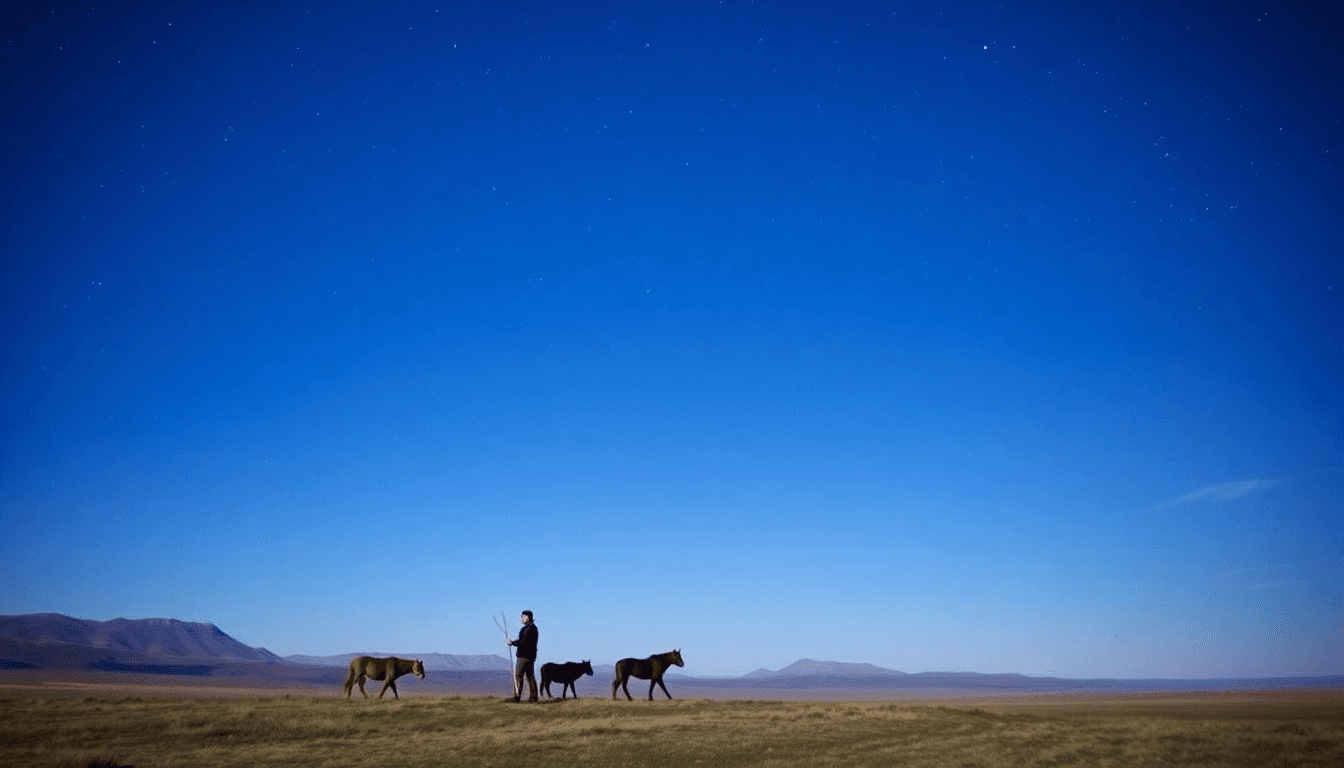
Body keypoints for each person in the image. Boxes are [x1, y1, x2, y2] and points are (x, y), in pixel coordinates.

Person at [505, 609, 539, 702]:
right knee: (530, 677)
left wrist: (512, 643)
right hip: (531, 657)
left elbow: (523, 642)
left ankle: (516, 697)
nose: (521, 618)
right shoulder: (533, 628)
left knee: (518, 676)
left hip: (523, 656)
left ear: (528, 617)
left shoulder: (527, 628)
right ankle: (534, 698)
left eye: (523, 616)